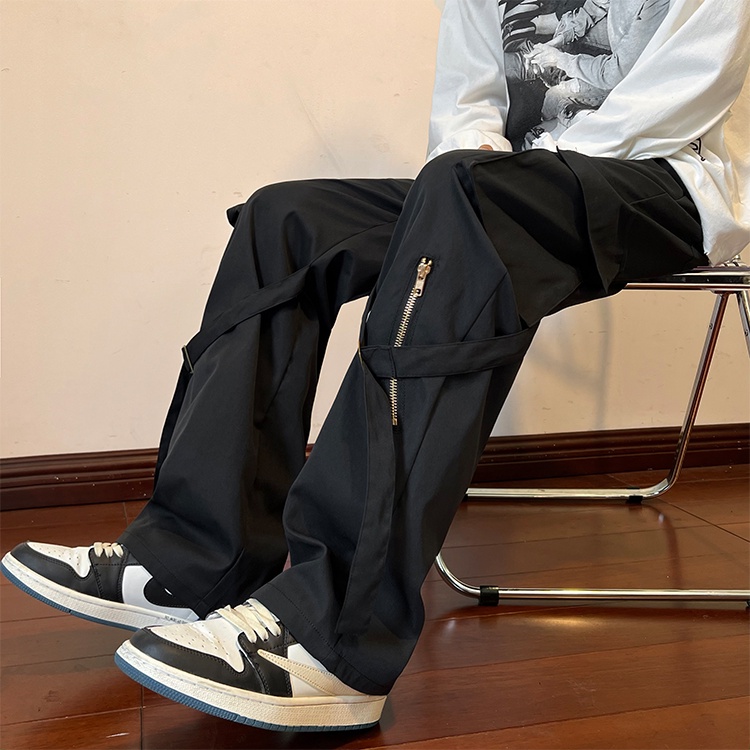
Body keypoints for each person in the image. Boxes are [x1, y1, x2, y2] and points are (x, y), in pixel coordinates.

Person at [3, 0, 748, 733]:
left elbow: (686, 87)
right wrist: (480, 170)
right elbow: (467, 103)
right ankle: (194, 558)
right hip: (498, 189)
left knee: (470, 205)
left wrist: (505, 180)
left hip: (661, 182)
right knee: (284, 221)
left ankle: (336, 634)